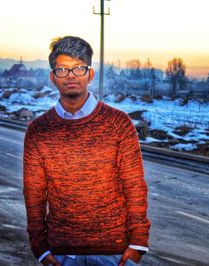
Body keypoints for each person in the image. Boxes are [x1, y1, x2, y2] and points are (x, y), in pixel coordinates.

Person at [23, 36, 150, 266]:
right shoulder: (38, 131)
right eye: (62, 69)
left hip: (115, 252)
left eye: (79, 68)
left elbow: (134, 185)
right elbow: (34, 194)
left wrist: (138, 241)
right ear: (52, 77)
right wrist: (39, 247)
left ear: (90, 74)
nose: (71, 76)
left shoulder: (119, 123)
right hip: (61, 254)